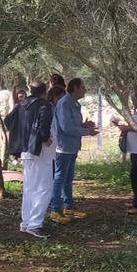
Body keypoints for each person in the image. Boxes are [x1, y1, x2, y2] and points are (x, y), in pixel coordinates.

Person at [50, 78, 97, 224]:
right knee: (59, 179)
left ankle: (68, 207)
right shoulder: (64, 103)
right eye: (83, 87)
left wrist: (84, 125)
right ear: (75, 88)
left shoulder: (74, 104)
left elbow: (73, 124)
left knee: (68, 179)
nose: (85, 90)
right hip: (63, 148)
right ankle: (55, 210)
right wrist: (87, 131)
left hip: (72, 147)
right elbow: (66, 128)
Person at [18, 81, 54, 239]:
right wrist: (45, 137)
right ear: (44, 92)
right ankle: (35, 224)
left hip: (25, 149)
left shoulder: (22, 104)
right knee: (44, 187)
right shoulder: (44, 105)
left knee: (29, 187)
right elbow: (44, 123)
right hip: (39, 150)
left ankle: (26, 222)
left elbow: (9, 122)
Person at [4, 88, 28, 160]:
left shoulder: (28, 107)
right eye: (20, 97)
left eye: (24, 96)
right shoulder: (16, 107)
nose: (22, 99)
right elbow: (7, 120)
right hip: (17, 134)